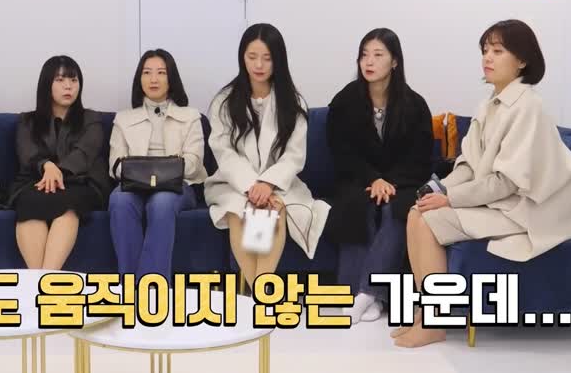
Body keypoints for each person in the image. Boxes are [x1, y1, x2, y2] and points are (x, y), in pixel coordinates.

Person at [395, 19, 571, 347]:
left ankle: (434, 321)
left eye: (498, 51)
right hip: (498, 201)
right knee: (417, 212)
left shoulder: (528, 107)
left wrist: (450, 200)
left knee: (427, 222)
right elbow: (469, 164)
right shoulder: (488, 105)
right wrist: (439, 190)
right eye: (485, 50)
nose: (488, 57)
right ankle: (426, 314)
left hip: (527, 209)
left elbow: (506, 183)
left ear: (521, 60)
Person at [204, 23, 331, 290]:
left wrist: (267, 183)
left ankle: (256, 295)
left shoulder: (293, 102)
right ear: (242, 57)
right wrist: (252, 185)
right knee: (239, 210)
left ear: (278, 60)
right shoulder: (224, 101)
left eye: (267, 58)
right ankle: (261, 295)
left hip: (278, 185)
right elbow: (223, 152)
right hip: (233, 184)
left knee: (273, 210)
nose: (259, 65)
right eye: (252, 57)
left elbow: (294, 156)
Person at [327, 28, 433, 323]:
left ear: (394, 61)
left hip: (403, 182)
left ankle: (366, 293)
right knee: (355, 206)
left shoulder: (414, 104)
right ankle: (359, 294)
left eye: (377, 55)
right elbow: (341, 151)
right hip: (358, 179)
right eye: (364, 55)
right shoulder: (345, 100)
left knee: (397, 209)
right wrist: (373, 178)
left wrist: (390, 182)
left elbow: (421, 157)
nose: (369, 62)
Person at [108, 49, 207, 281]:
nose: (154, 79)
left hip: (179, 186)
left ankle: (154, 287)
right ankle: (130, 285)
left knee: (161, 202)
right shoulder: (123, 119)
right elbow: (115, 164)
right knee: (119, 200)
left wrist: (158, 172)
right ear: (139, 78)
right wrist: (151, 171)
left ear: (171, 78)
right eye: (147, 72)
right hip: (133, 186)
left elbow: (194, 163)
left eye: (161, 73)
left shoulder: (191, 116)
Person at [10, 55, 111, 270]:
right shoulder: (27, 120)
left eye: (74, 80)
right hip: (36, 180)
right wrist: (46, 166)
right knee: (29, 203)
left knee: (69, 205)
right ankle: (39, 281)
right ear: (47, 84)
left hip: (81, 182)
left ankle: (46, 278)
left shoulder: (91, 118)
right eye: (60, 80)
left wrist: (58, 171)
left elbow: (85, 153)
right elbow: (27, 152)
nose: (68, 86)